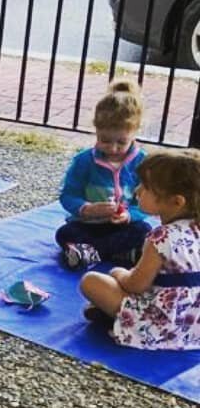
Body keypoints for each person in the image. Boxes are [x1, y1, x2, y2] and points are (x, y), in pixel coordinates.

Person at [79, 150, 200, 350]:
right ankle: (111, 315)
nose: (137, 191)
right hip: (193, 325)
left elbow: (136, 285)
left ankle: (121, 321)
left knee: (91, 281)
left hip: (161, 325)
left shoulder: (162, 237)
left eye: (146, 187)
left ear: (176, 201)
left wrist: (119, 273)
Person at [55, 80, 149, 270]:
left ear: (135, 134)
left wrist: (129, 216)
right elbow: (68, 195)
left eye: (121, 142)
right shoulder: (84, 160)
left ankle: (90, 253)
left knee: (145, 231)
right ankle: (121, 254)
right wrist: (86, 209)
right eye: (104, 140)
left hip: (124, 227)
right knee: (64, 233)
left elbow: (147, 203)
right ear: (96, 131)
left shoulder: (141, 163)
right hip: (87, 225)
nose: (113, 148)